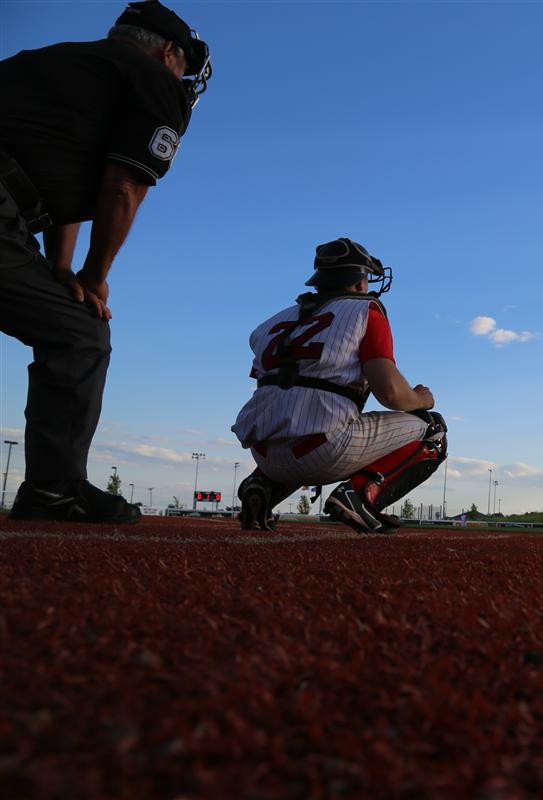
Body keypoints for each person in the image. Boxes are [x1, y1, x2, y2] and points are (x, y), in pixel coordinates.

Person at [0, 1, 212, 523]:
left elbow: (61, 192)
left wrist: (65, 270)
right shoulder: (155, 79)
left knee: (64, 309)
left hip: (14, 200)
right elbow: (124, 186)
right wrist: (95, 279)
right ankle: (53, 490)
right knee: (80, 331)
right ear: (168, 52)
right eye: (182, 66)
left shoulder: (51, 63)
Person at [231, 238, 448, 534]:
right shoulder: (365, 310)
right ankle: (360, 494)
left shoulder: (270, 324)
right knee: (433, 428)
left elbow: (268, 388)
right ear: (360, 281)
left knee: (294, 419)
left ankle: (263, 486)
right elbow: (392, 394)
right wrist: (421, 398)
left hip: (264, 452)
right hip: (321, 449)